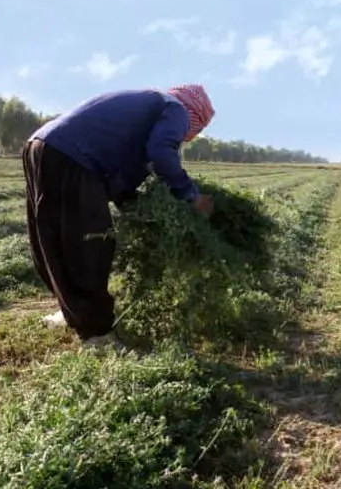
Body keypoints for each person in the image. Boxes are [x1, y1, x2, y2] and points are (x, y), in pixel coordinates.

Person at [21, 84, 217, 349]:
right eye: (192, 131)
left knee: (55, 240)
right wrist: (191, 195)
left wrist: (135, 208)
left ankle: (71, 313)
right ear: (195, 116)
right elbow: (161, 151)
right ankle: (98, 334)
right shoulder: (176, 108)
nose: (186, 136)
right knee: (90, 244)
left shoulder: (144, 105)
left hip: (41, 146)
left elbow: (118, 170)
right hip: (73, 156)